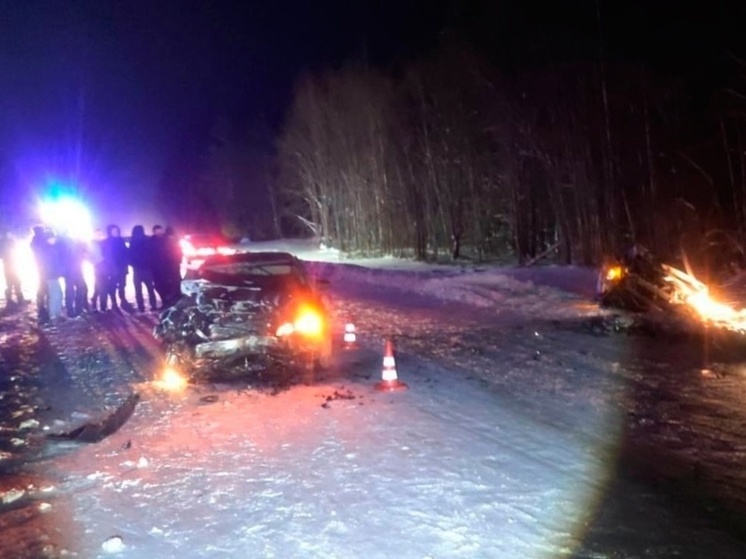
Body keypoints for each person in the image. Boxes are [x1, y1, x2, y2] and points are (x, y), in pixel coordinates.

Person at [101, 224, 131, 311]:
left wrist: (126, 262)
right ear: (110, 232)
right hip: (112, 268)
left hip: (122, 267)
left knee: (122, 285)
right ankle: (114, 303)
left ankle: (123, 300)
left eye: (117, 231)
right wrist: (111, 268)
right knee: (113, 286)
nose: (116, 232)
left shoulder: (120, 240)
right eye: (114, 231)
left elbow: (125, 252)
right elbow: (107, 256)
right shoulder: (107, 242)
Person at [129, 225, 158, 312]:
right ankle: (153, 305)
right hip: (147, 269)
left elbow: (130, 256)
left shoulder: (133, 241)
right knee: (150, 289)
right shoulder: (147, 240)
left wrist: (133, 264)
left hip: (137, 269)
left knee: (138, 290)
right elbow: (152, 254)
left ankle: (141, 307)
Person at [59, 233, 88, 317]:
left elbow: (82, 253)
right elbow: (62, 257)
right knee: (70, 291)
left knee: (81, 289)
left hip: (78, 269)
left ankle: (79, 309)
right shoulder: (62, 242)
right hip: (69, 271)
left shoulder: (76, 242)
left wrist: (82, 246)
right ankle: (70, 310)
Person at [0, 230, 26, 307]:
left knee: (12, 283)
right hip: (11, 265)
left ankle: (12, 300)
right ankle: (18, 299)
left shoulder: (3, 242)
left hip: (9, 265)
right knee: (15, 282)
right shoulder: (7, 242)